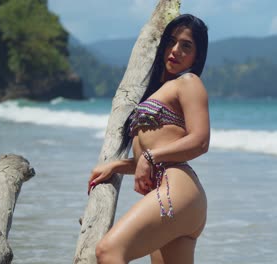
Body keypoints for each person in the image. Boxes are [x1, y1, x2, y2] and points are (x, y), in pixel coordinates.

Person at [87, 14, 210, 264]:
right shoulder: (158, 90)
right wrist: (117, 166)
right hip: (179, 198)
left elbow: (200, 141)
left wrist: (150, 156)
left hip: (176, 191)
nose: (175, 50)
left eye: (186, 45)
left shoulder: (188, 82)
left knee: (108, 251)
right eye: (171, 42)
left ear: (197, 56)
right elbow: (154, 152)